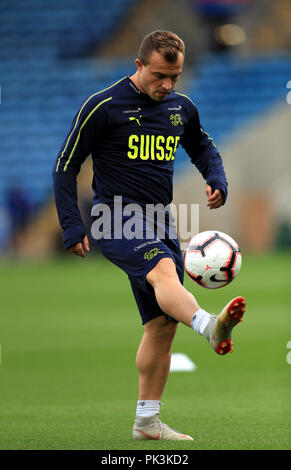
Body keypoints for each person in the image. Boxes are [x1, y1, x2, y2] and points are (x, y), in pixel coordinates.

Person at [53, 30, 246, 441]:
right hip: (115, 217)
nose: (167, 85)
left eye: (174, 77)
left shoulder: (181, 107)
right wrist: (72, 223)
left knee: (161, 326)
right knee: (163, 272)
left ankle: (146, 422)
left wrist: (216, 177)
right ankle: (209, 326)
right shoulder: (103, 105)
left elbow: (203, 146)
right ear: (139, 66)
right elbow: (66, 165)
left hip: (161, 219)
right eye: (159, 75)